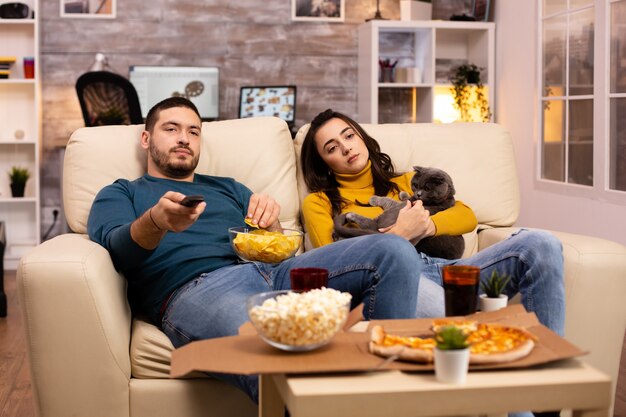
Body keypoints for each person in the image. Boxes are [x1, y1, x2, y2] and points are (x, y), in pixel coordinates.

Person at [87, 97, 424, 403]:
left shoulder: (229, 187)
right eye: (171, 129)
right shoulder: (121, 192)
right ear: (146, 139)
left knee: (391, 249)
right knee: (275, 352)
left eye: (193, 131)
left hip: (273, 272)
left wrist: (272, 223)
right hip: (196, 290)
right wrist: (157, 220)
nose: (184, 138)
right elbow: (119, 252)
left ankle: (389, 398)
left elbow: (275, 248)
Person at [300, 109, 565, 338]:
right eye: (332, 148)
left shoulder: (406, 182)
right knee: (452, 321)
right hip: (395, 280)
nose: (346, 147)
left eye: (349, 136)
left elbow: (466, 215)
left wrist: (425, 227)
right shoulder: (319, 203)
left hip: (444, 268)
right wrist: (400, 234)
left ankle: (550, 376)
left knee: (541, 244)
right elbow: (336, 265)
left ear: (361, 137)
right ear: (324, 164)